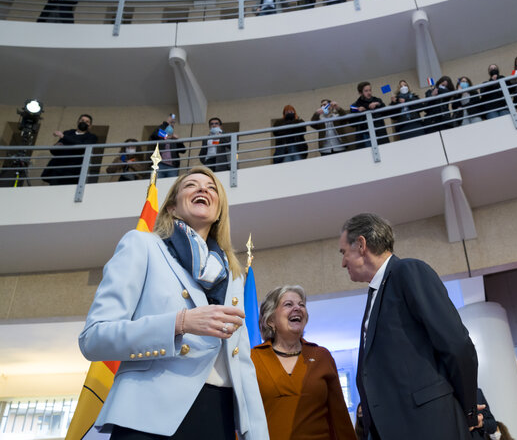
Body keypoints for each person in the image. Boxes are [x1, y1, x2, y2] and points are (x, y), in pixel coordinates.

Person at [78, 167, 269, 439]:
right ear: (172, 208)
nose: (203, 189)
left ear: (218, 212)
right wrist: (180, 323)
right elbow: (94, 338)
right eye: (191, 185)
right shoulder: (142, 245)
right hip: (146, 415)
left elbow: (242, 364)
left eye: (212, 187)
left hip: (218, 417)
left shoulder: (234, 274)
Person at [338, 213, 478, 440]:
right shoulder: (375, 292)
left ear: (361, 245)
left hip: (431, 425)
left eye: (343, 252)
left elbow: (457, 344)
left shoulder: (408, 271)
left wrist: (466, 410)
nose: (343, 262)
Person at [250, 285, 356, 440]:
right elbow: (242, 417)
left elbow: (340, 416)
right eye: (288, 304)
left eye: (301, 305)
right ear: (270, 319)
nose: (297, 308)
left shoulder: (321, 356)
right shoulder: (253, 359)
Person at [41, 114, 98, 185]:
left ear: (90, 125)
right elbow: (54, 152)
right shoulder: (68, 133)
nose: (84, 122)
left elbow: (82, 147)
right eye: (82, 120)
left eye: (87, 122)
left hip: (73, 172)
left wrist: (63, 137)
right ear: (78, 122)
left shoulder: (91, 137)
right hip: (58, 169)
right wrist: (56, 146)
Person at [350, 82, 390, 148]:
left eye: (370, 90)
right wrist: (358, 111)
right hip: (365, 136)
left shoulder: (377, 100)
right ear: (360, 93)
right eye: (366, 91)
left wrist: (378, 104)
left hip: (380, 133)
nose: (369, 92)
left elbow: (386, 113)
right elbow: (352, 123)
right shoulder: (355, 105)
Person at [151, 114, 186, 178]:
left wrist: (178, 141)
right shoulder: (161, 137)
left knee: (171, 185)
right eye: (169, 124)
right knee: (157, 184)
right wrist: (166, 123)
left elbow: (183, 150)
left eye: (172, 123)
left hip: (172, 167)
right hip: (160, 165)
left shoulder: (174, 139)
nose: (170, 126)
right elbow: (154, 134)